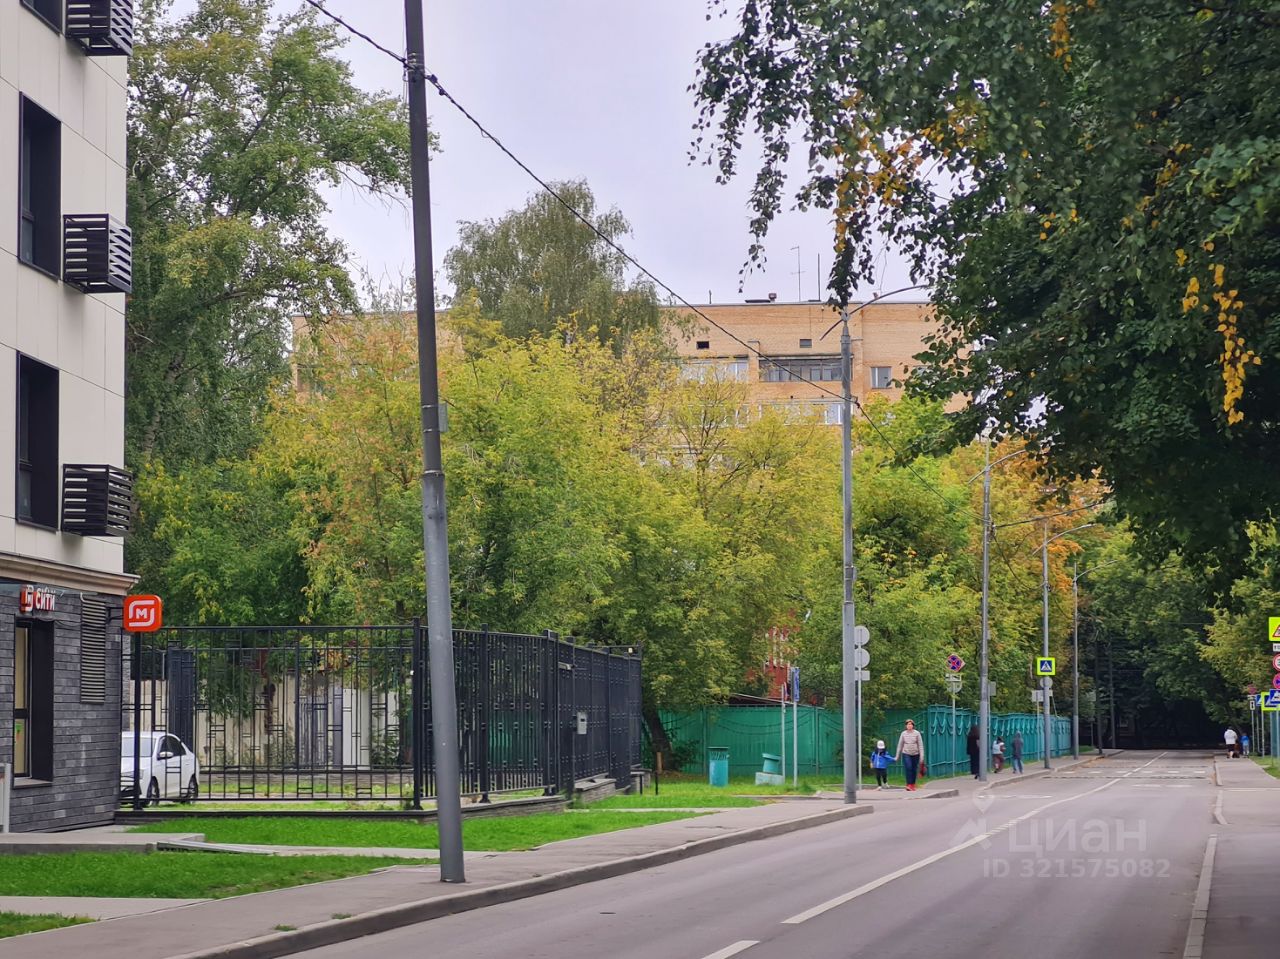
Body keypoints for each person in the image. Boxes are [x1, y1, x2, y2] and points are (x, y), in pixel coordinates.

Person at [895, 718, 925, 791]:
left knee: (914, 769)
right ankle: (908, 784)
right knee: (908, 767)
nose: (909, 726)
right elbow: (900, 745)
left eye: (911, 724)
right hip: (906, 753)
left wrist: (922, 756)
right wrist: (897, 756)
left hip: (915, 754)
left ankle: (913, 784)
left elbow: (920, 745)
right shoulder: (903, 734)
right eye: (908, 724)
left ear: (913, 726)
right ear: (906, 726)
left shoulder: (917, 733)